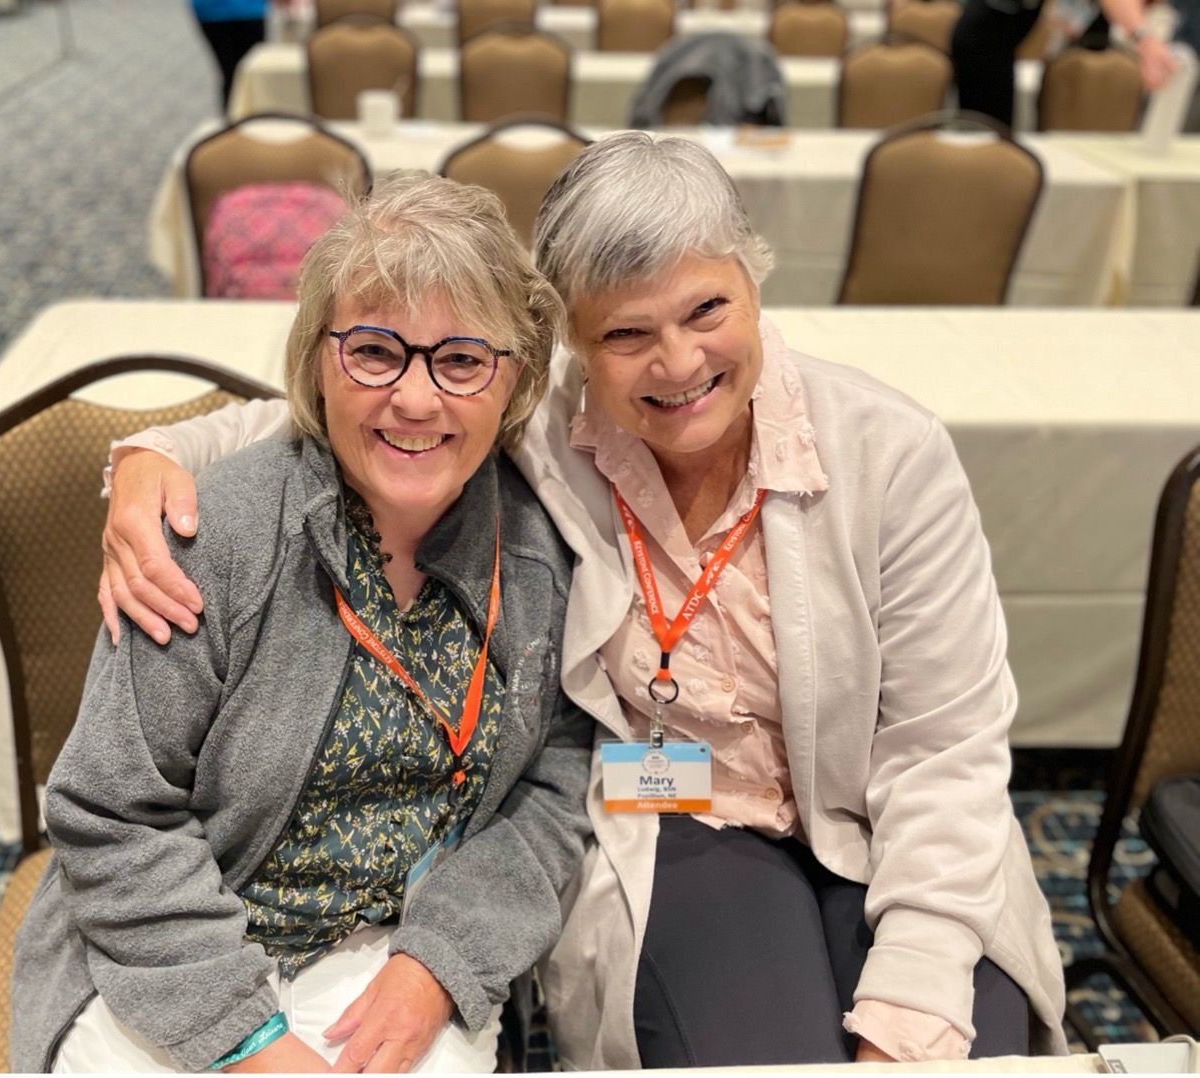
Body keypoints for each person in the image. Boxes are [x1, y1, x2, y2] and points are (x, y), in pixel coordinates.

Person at [96, 134, 1069, 1068]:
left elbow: (942, 753)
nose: (678, 363)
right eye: (627, 333)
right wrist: (152, 458)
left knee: (946, 1046)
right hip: (687, 822)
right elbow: (353, 407)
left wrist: (907, 1011)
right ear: (568, 342)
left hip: (899, 825)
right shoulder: (547, 426)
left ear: (754, 279)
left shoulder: (890, 454)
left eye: (705, 310)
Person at [8, 174, 593, 1074]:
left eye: (462, 360)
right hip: (177, 939)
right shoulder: (216, 537)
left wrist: (442, 961)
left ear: (512, 379)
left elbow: (551, 788)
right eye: (374, 352)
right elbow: (109, 810)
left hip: (392, 948)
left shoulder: (538, 556)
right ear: (318, 359)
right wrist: (243, 1036)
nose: (416, 398)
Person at [950, 0, 1180, 128]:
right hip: (984, 38)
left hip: (1000, 38)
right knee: (987, 137)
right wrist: (1145, 40)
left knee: (994, 137)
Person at [190, 0, 270, 113]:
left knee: (232, 74)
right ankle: (244, 120)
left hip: (211, 10)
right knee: (249, 74)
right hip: (247, 9)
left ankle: (232, 120)